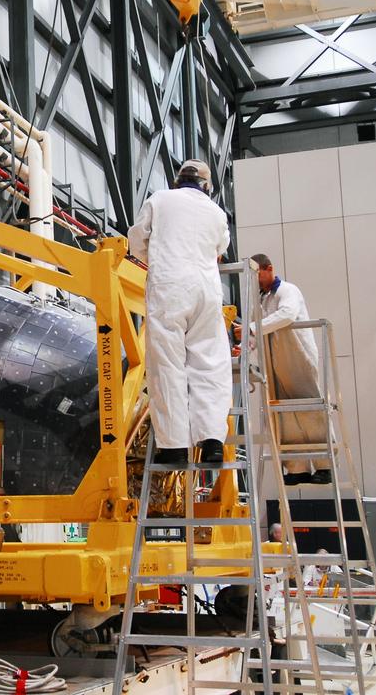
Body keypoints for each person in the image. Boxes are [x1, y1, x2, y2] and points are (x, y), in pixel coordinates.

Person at [127, 159, 231, 468]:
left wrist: (156, 257)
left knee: (168, 365)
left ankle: (174, 447)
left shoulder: (160, 200)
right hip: (207, 291)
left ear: (177, 180)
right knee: (210, 363)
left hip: (170, 288)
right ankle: (212, 440)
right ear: (207, 187)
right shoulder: (216, 212)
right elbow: (220, 247)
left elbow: (136, 240)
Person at [238, 254, 329, 486]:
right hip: (275, 365)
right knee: (283, 418)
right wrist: (243, 350)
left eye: (258, 274)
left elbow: (286, 315)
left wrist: (251, 329)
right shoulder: (260, 301)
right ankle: (296, 468)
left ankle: (324, 466)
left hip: (298, 360)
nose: (256, 280)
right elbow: (254, 333)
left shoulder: (288, 291)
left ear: (269, 269)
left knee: (310, 413)